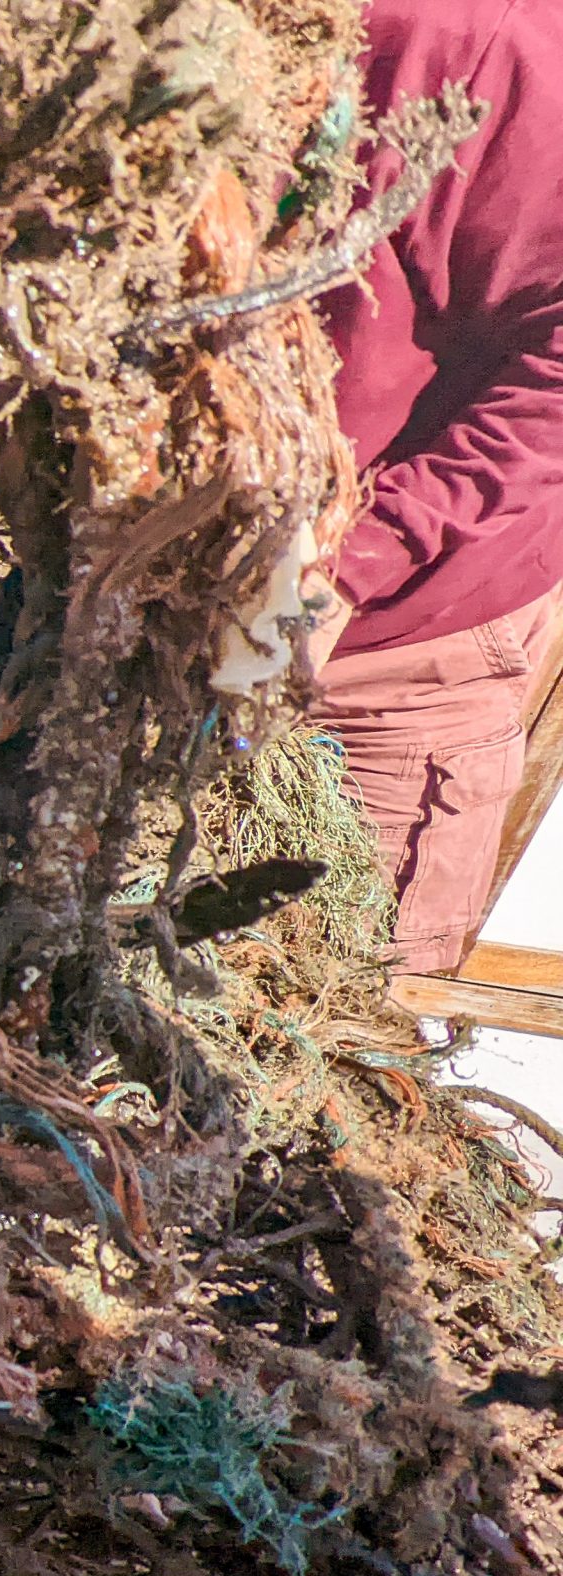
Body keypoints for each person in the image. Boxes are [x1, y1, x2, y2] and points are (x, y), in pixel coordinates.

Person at [303, 0, 563, 974]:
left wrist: (348, 565)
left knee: (328, 1034)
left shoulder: (479, 42)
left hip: (393, 652)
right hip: (130, 619)